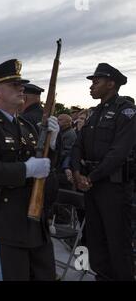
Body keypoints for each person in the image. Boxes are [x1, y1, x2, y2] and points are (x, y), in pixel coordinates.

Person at [0, 59, 59, 281]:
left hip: (35, 219)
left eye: (21, 84)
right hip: (5, 222)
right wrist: (25, 169)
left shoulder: (27, 127)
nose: (22, 88)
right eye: (14, 85)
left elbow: (44, 167)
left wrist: (53, 145)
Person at [71, 63, 136, 281]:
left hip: (113, 187)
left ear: (111, 84)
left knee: (117, 242)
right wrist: (78, 172)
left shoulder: (126, 112)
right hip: (91, 185)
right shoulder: (93, 114)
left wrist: (90, 177)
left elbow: (119, 152)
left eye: (96, 82)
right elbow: (77, 145)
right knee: (96, 240)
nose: (91, 86)